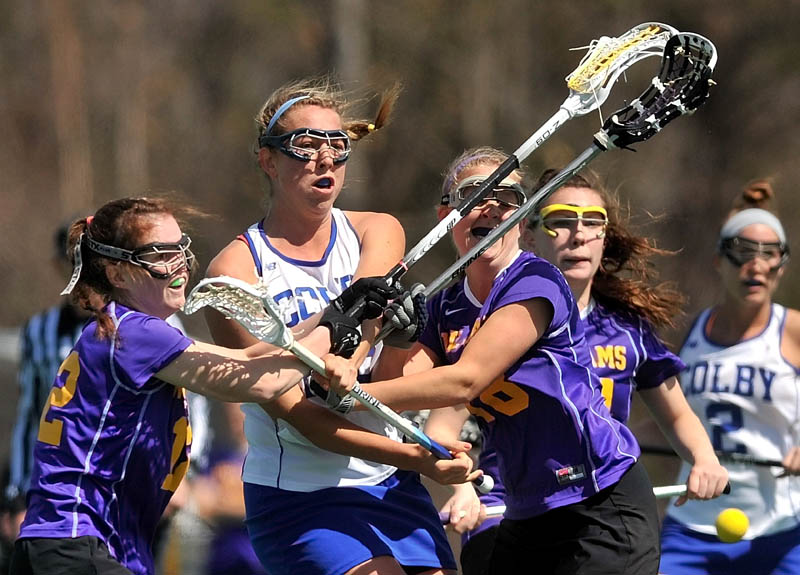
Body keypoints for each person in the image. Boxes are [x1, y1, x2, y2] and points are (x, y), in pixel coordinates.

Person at [9, 196, 372, 575]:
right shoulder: (134, 332)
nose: (179, 264)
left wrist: (338, 310)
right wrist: (337, 327)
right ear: (117, 274)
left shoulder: (130, 329)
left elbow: (250, 357)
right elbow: (260, 382)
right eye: (159, 255)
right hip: (75, 545)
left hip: (76, 546)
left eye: (181, 248)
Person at [204, 76, 477, 575]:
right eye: (305, 145)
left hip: (390, 482)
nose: (325, 159)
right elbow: (302, 415)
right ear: (268, 160)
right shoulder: (234, 273)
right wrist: (417, 458)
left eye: (337, 145)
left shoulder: (378, 230)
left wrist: (388, 345)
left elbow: (366, 315)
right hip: (302, 497)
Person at [352, 147, 663, 575]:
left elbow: (465, 380)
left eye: (507, 199)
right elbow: (401, 391)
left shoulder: (536, 281)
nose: (492, 207)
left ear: (521, 219)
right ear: (446, 216)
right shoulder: (444, 307)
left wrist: (351, 392)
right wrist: (394, 341)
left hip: (599, 500)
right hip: (528, 509)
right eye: (474, 195)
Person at [430, 167, 730, 575]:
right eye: (561, 220)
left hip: (594, 497)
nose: (579, 235)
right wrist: (462, 487)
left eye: (593, 222)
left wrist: (704, 458)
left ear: (605, 237)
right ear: (528, 233)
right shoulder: (491, 320)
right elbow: (446, 415)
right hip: (504, 505)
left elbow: (676, 413)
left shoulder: (626, 329)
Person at [659, 180, 800, 575]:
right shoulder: (689, 331)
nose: (756, 266)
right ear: (718, 261)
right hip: (692, 525)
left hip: (781, 527)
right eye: (742, 252)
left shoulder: (792, 330)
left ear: (782, 266)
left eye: (769, 254)